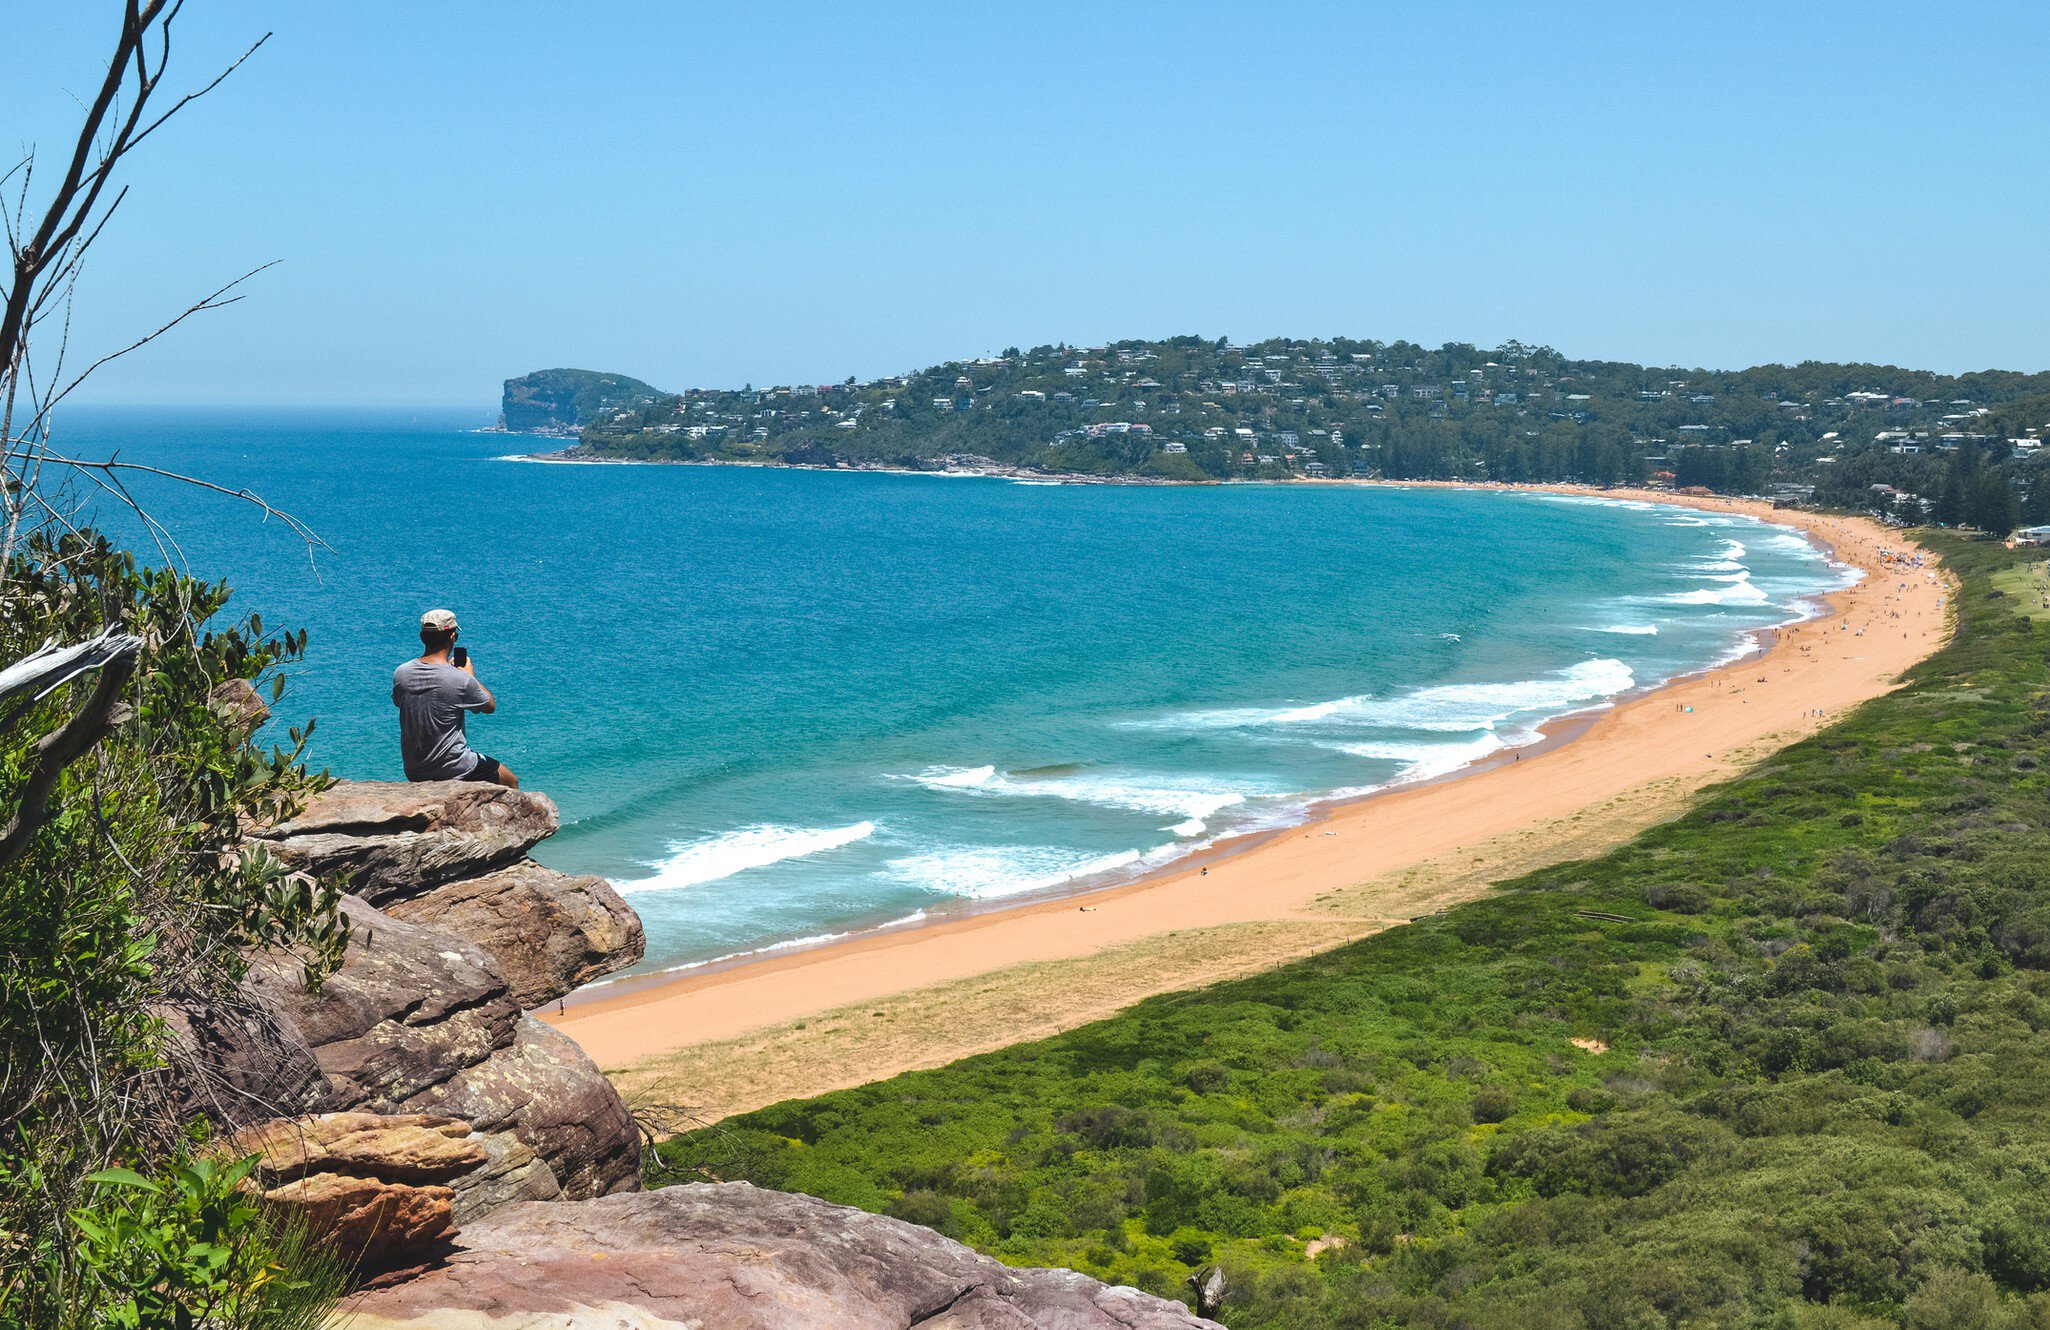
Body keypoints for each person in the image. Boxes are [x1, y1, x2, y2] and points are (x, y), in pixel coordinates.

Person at [392, 608, 518, 787]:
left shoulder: (401, 673)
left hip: (414, 770)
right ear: (452, 637)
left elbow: (399, 702)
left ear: (422, 638)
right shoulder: (460, 679)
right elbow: (489, 706)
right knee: (511, 781)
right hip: (454, 767)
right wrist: (470, 676)